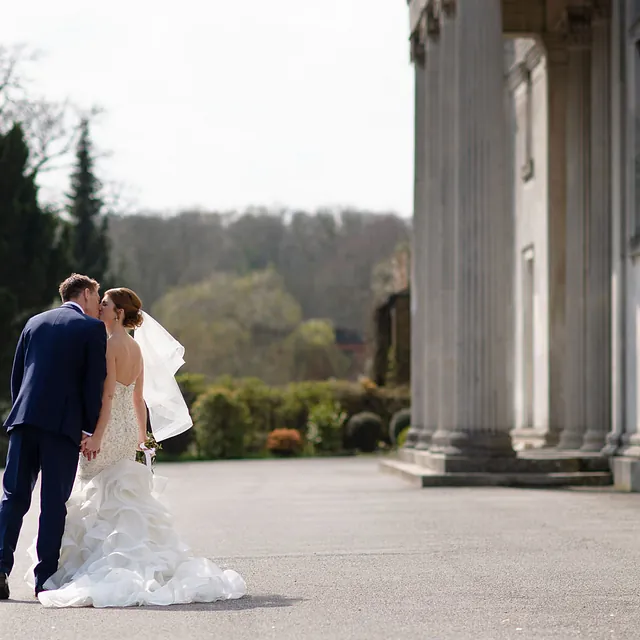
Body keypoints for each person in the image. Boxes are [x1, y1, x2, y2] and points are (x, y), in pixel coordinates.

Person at [32, 287, 246, 607]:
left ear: (118, 313)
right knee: (121, 496)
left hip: (109, 429)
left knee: (98, 494)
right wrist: (142, 437)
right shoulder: (135, 348)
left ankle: (105, 563)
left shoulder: (109, 346)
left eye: (104, 304)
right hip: (128, 429)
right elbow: (138, 400)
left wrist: (97, 436)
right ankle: (131, 555)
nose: (100, 308)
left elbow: (106, 398)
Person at [0, 274, 107, 599]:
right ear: (86, 293)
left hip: (24, 420)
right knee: (52, 503)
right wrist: (89, 428)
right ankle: (44, 579)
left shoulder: (35, 322)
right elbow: (93, 383)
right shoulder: (91, 329)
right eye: (97, 296)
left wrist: (23, 411)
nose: (97, 305)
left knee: (13, 496)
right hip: (62, 426)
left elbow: (18, 376)